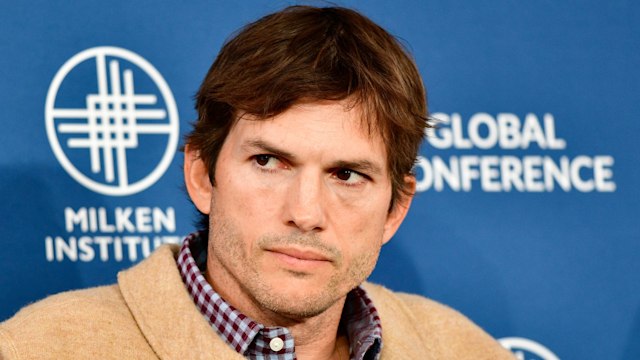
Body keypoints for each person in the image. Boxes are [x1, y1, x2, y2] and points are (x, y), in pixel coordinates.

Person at [0, 5, 514, 360]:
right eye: (270, 162)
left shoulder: (465, 349)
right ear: (203, 174)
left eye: (347, 175)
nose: (306, 212)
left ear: (395, 210)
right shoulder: (40, 347)